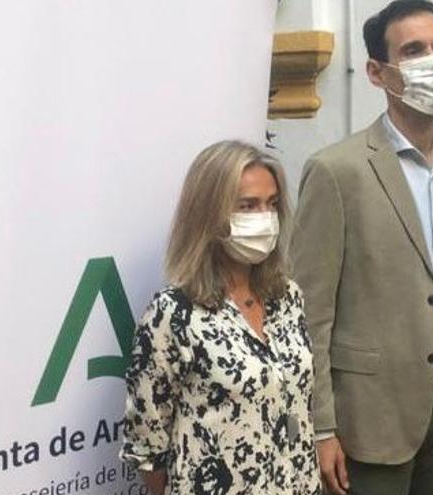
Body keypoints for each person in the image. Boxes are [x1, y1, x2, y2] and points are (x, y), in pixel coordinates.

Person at [290, 1, 433, 494]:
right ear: (376, 72)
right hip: (371, 413)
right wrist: (321, 426)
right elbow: (311, 313)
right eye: (413, 51)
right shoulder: (337, 171)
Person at [120, 141, 321, 495]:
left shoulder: (287, 296)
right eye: (248, 205)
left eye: (272, 204)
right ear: (209, 213)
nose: (265, 217)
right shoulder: (174, 314)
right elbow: (148, 446)